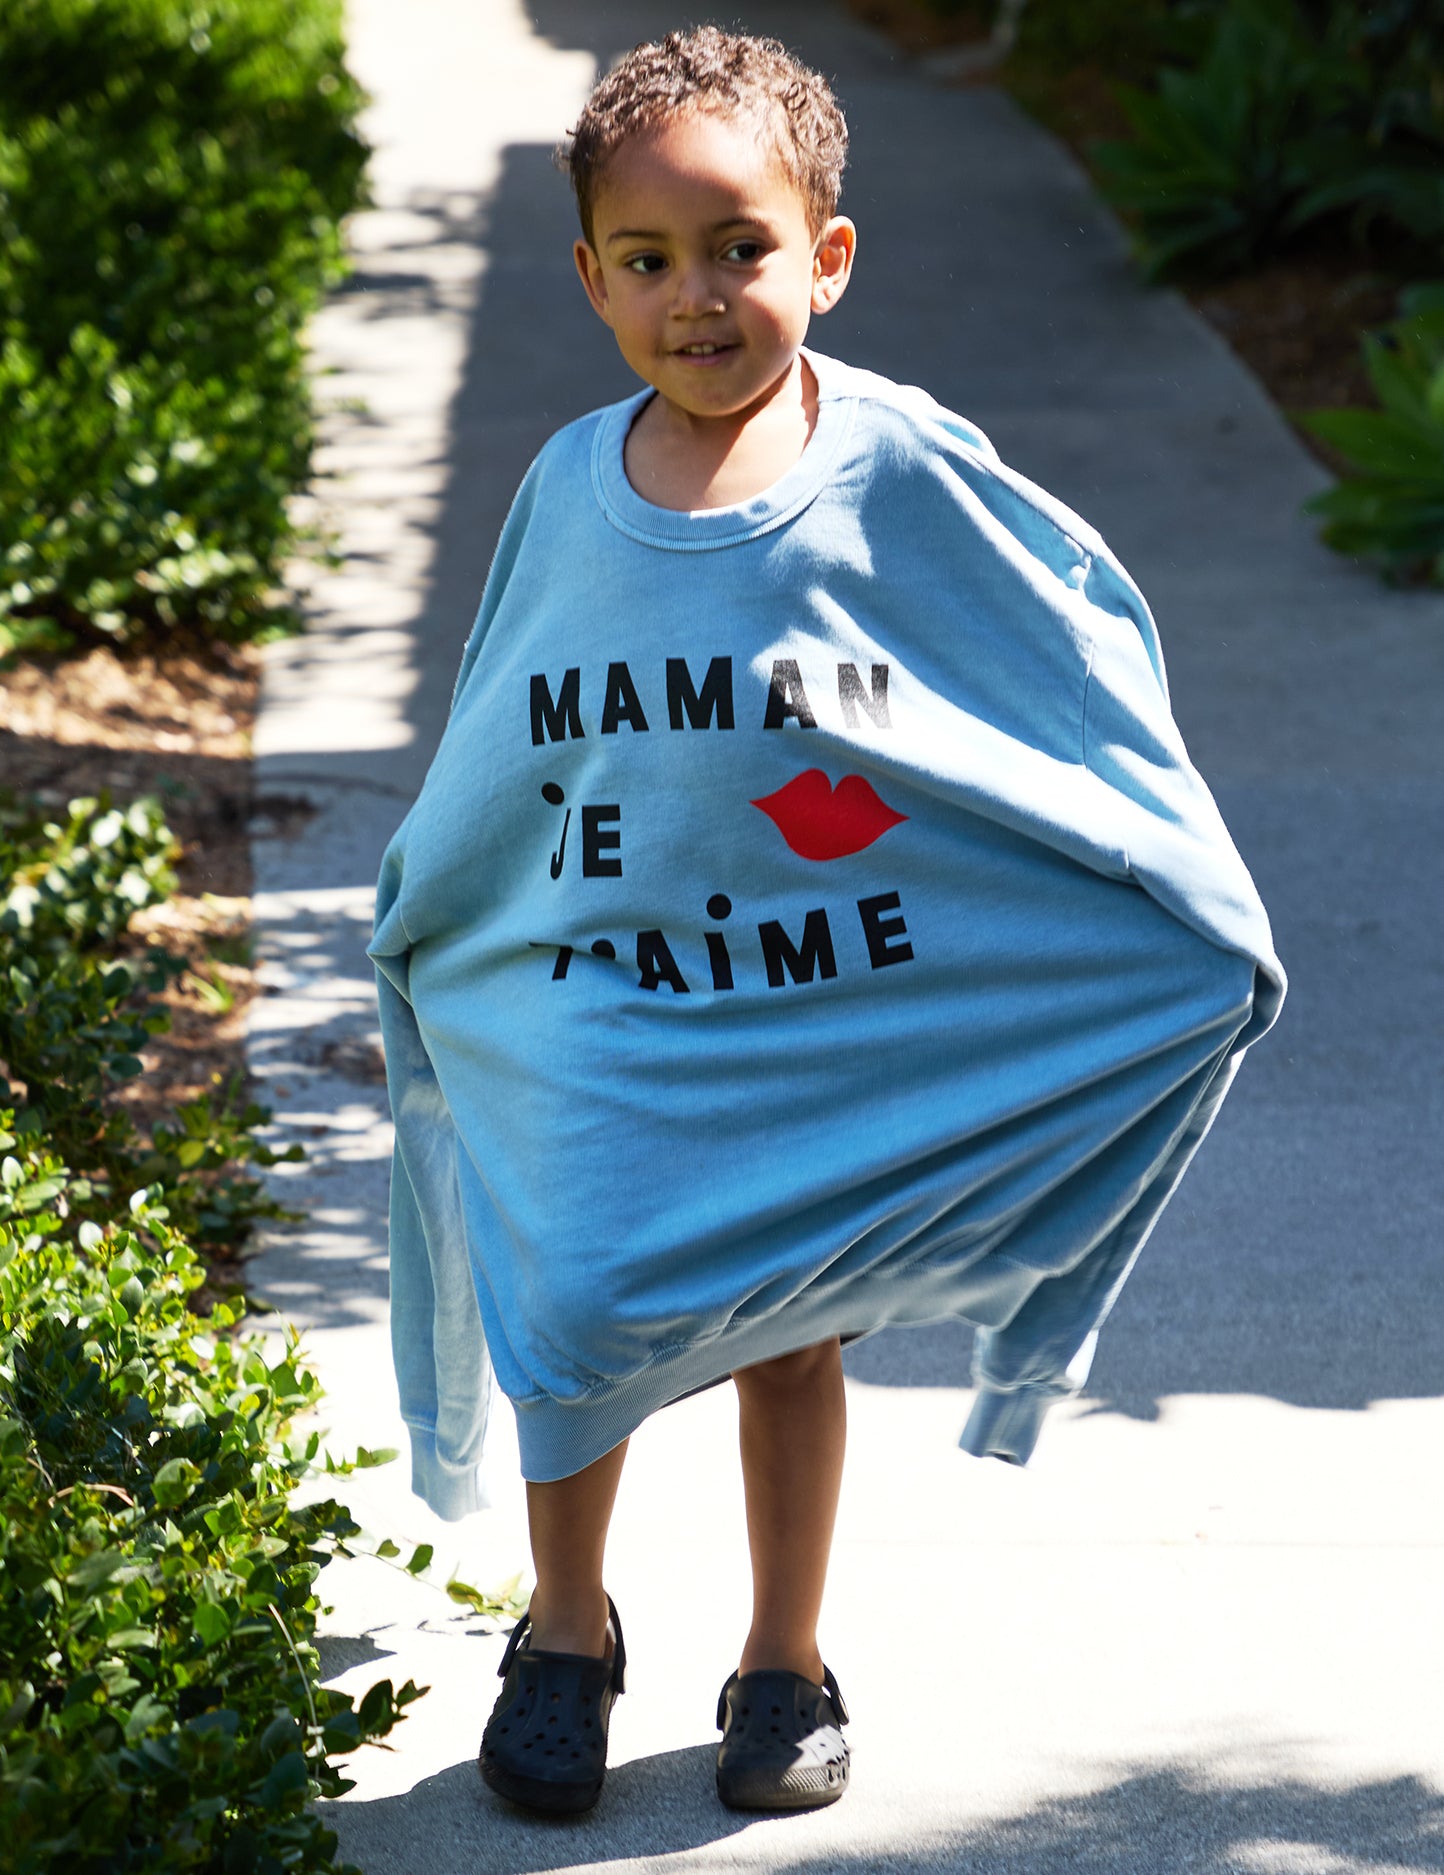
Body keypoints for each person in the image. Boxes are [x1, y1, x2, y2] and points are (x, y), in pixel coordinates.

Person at [368, 25, 1284, 1821]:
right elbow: (504, 724)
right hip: (605, 993)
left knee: (793, 1338)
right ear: (589, 280)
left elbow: (1072, 651)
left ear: (828, 258)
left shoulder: (902, 469)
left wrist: (1163, 875)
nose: (696, 298)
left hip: (817, 1011)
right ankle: (566, 1628)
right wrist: (437, 895)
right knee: (575, 1310)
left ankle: (782, 1658)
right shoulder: (569, 486)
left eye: (740, 249)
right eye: (647, 262)